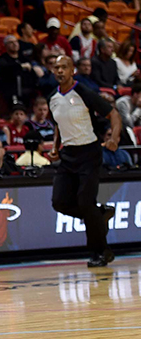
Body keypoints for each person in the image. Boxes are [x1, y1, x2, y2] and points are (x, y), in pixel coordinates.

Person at [48, 55, 121, 268]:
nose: (60, 71)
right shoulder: (52, 97)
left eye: (64, 67)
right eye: (56, 67)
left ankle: (102, 251)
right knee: (59, 202)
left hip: (89, 153)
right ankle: (100, 215)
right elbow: (58, 124)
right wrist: (55, 147)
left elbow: (114, 115)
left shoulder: (84, 92)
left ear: (72, 71)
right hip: (68, 155)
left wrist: (114, 139)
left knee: (85, 202)